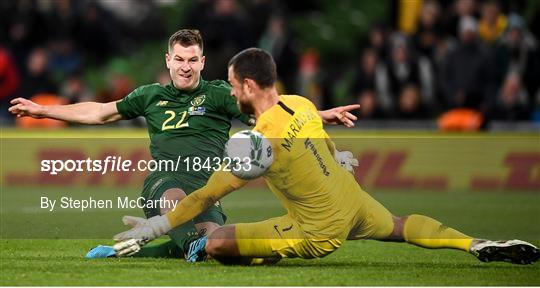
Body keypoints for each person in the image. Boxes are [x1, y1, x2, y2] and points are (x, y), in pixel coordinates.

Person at [112, 48, 539, 265]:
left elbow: (206, 195)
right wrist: (338, 158)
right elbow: (327, 144)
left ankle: (264, 253)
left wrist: (158, 226)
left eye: (231, 84)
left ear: (245, 85)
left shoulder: (256, 142)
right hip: (351, 198)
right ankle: (476, 244)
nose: (230, 91)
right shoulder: (298, 103)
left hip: (318, 230)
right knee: (400, 225)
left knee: (219, 242)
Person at [8, 29, 359, 259]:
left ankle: (135, 251)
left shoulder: (222, 94)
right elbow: (100, 111)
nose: (186, 67)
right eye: (179, 59)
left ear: (202, 62)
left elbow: (273, 110)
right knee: (173, 201)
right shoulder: (150, 96)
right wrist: (43, 110)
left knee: (214, 243)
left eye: (193, 60)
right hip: (165, 181)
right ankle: (179, 241)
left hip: (207, 189)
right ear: (168, 60)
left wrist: (320, 114)